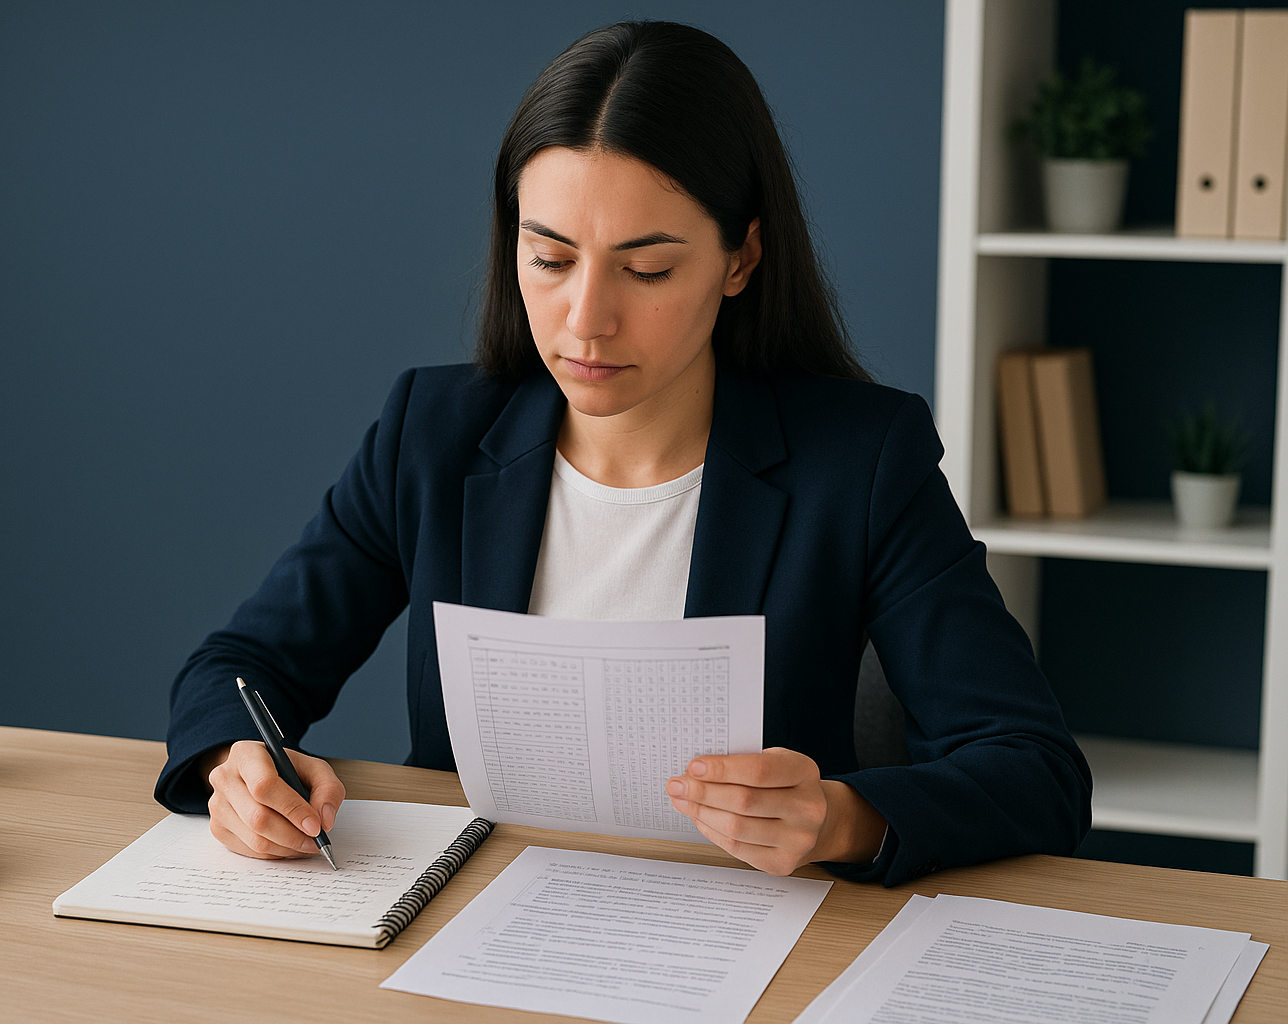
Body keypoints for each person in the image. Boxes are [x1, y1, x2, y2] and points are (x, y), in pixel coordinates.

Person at [156, 20, 1091, 886]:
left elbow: (1036, 770)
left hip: (740, 941)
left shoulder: (861, 461)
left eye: (647, 269)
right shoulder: (432, 432)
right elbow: (240, 665)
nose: (587, 320)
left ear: (740, 259)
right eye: (550, 259)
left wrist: (841, 819)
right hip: (467, 918)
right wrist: (234, 765)